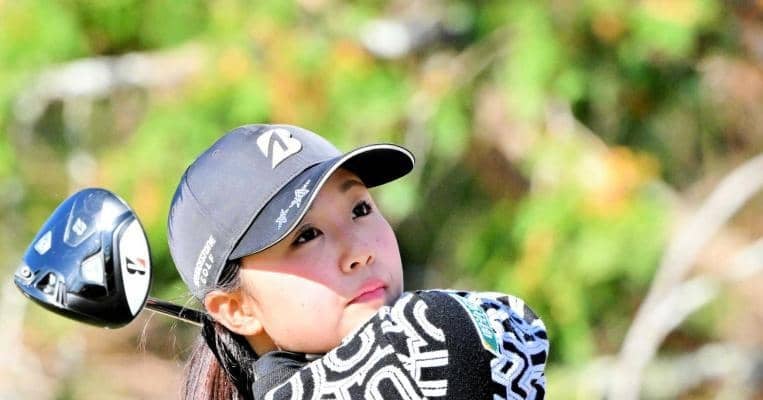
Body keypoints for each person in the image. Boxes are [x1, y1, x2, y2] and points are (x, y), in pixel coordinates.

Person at [167, 124, 549, 399]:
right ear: (236, 310)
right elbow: (465, 327)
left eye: (360, 209)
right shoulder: (440, 336)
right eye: (306, 236)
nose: (359, 251)